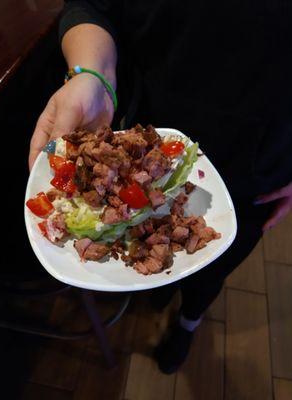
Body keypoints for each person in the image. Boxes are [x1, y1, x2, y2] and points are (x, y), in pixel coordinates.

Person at [29, 0, 292, 373]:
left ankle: (188, 323)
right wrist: (92, 75)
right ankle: (163, 293)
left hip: (258, 167)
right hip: (144, 139)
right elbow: (91, 6)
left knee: (212, 273)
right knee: (147, 250)